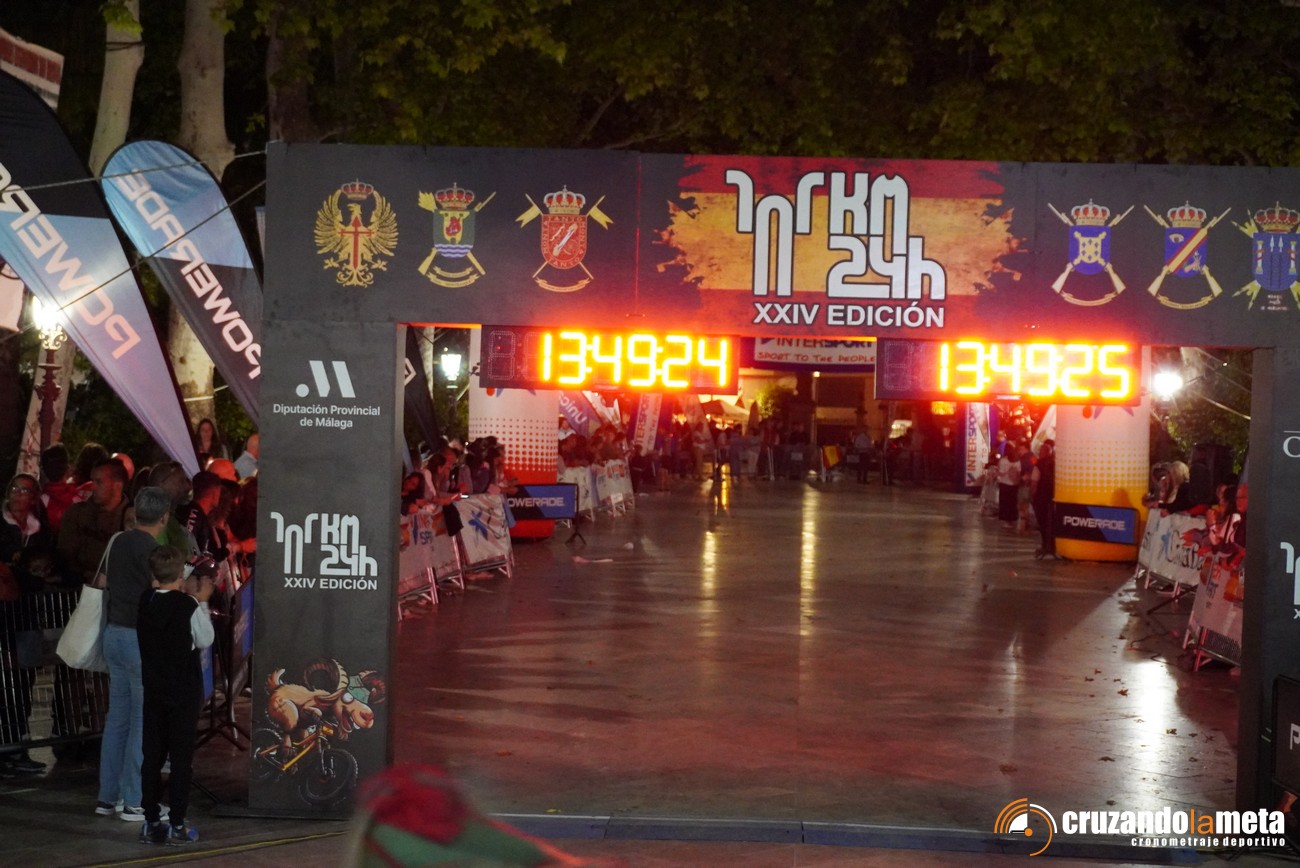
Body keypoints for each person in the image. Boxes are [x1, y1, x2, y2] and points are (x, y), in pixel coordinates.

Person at [95, 486, 170, 821]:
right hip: (138, 638)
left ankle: (107, 797)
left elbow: (104, 582)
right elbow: (158, 592)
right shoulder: (153, 551)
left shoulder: (118, 541)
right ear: (164, 517)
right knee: (142, 720)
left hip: (113, 633)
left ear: (136, 511)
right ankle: (134, 800)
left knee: (117, 719)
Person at [137, 545, 214, 845]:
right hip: (183, 692)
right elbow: (205, 638)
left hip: (154, 690)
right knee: (181, 760)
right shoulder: (188, 605)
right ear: (181, 574)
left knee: (152, 757)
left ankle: (150, 820)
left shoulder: (146, 600)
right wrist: (202, 601)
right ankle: (178, 823)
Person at [57, 458, 129, 585]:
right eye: (92, 481)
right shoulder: (77, 514)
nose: (92, 487)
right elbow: (65, 555)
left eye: (99, 482)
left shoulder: (132, 519)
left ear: (117, 485)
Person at [1031, 440, 1056, 559]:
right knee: (1052, 522)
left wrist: (1032, 495)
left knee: (1043, 522)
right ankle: (1052, 545)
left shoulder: (1039, 464)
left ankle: (1046, 545)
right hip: (1054, 497)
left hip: (1041, 497)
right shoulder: (1056, 463)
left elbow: (1034, 482)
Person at [996, 445, 1021, 530]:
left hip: (1004, 483)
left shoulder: (1003, 460)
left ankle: (1005, 521)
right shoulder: (1017, 461)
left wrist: (1005, 472)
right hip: (1014, 484)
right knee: (1012, 503)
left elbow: (1001, 473)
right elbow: (1019, 472)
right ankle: (1012, 519)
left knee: (1004, 503)